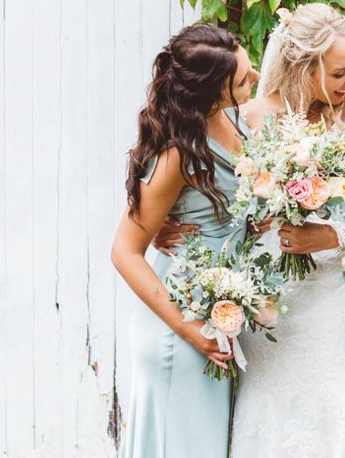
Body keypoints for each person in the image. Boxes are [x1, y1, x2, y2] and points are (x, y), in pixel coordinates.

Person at [230, 4, 345, 458]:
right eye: (339, 72)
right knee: (275, 415)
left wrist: (333, 237)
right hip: (276, 301)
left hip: (340, 302)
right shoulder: (250, 118)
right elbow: (224, 207)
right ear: (304, 66)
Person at [110, 24, 258, 458]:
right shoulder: (177, 151)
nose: (254, 82)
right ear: (214, 90)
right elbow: (124, 251)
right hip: (181, 326)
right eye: (244, 80)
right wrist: (188, 330)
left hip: (215, 318)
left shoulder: (229, 119)